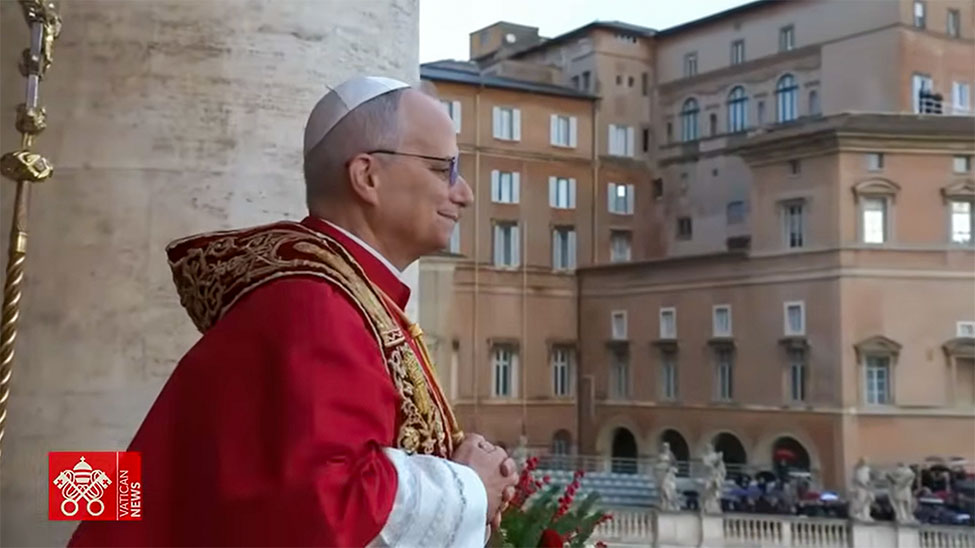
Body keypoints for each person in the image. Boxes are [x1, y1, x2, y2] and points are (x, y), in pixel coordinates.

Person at [68, 76, 517, 547]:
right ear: (367, 176)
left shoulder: (347, 295)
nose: (464, 193)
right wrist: (468, 487)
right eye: (444, 169)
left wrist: (463, 469)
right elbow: (323, 506)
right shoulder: (315, 305)